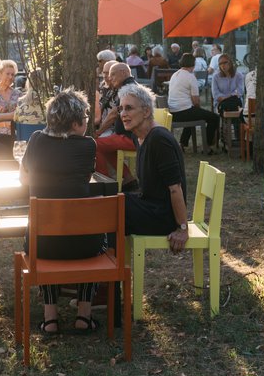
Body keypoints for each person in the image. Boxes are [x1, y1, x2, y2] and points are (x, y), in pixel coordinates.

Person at [20, 88, 105, 333]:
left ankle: (50, 318)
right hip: (85, 246)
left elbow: (24, 179)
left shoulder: (36, 139)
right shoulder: (88, 145)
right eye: (86, 119)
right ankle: (84, 315)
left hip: (43, 246)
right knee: (96, 234)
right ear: (76, 122)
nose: (87, 123)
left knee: (42, 234)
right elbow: (87, 177)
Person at [117, 82, 189, 254]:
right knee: (112, 200)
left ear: (147, 111)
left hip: (163, 216)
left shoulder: (158, 139)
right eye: (121, 109)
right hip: (149, 206)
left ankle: (110, 273)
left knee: (113, 208)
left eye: (129, 108)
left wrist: (183, 229)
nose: (123, 114)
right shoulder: (139, 137)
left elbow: (175, 188)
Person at [95, 62, 137, 188]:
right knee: (105, 145)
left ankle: (105, 182)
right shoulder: (130, 86)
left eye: (113, 74)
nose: (110, 77)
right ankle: (129, 179)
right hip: (128, 135)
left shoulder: (127, 90)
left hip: (131, 137)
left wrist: (97, 132)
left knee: (94, 144)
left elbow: (113, 115)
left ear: (124, 73)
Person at [167, 53, 219, 154]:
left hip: (173, 112)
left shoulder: (175, 74)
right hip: (184, 111)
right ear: (193, 64)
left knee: (193, 114)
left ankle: (182, 143)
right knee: (214, 117)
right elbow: (196, 101)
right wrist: (199, 109)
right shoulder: (190, 77)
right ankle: (207, 145)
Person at [0, 59, 22, 145]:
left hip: (17, 134)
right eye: (7, 74)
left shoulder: (18, 94)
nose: (11, 77)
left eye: (13, 75)